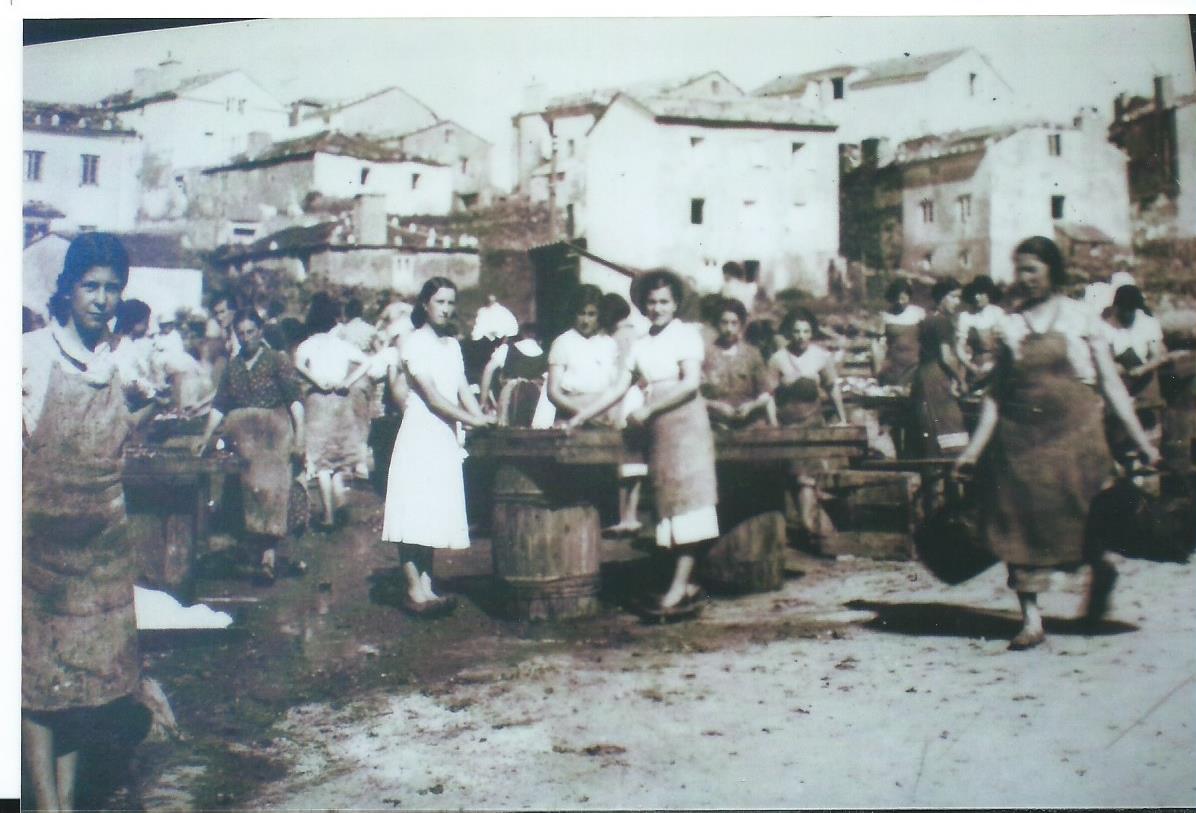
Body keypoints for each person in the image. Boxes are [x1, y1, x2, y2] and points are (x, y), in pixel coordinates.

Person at [953, 236, 1160, 651]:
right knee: (1016, 518)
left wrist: (1142, 442)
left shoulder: (1081, 320)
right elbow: (995, 395)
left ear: (1052, 270)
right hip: (1019, 442)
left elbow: (1111, 384)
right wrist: (973, 450)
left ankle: (1100, 571)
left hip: (1076, 437)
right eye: (1019, 270)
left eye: (1032, 269)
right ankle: (1031, 619)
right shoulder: (1009, 326)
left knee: (1082, 516)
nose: (1024, 278)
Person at [22, 233, 144, 811]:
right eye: (90, 286)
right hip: (35, 549)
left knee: (82, 683)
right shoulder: (30, 354)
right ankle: (45, 804)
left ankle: (65, 804)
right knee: (36, 679)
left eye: (112, 288)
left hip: (100, 548)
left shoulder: (120, 362)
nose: (101, 298)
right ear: (67, 289)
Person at [568, 269, 719, 615]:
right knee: (669, 503)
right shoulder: (641, 344)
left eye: (664, 301)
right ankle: (688, 584)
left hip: (686, 425)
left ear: (676, 303)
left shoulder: (686, 336)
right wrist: (580, 415)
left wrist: (650, 408)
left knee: (689, 504)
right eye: (651, 302)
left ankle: (678, 589)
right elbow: (619, 387)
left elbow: (690, 383)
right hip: (660, 430)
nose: (657, 308)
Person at [382, 277, 495, 615]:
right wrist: (474, 421)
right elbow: (432, 398)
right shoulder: (413, 343)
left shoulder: (452, 345)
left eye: (450, 303)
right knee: (412, 509)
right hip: (421, 431)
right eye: (440, 302)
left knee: (431, 511)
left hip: (445, 435)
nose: (446, 309)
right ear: (425, 305)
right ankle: (414, 589)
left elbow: (462, 389)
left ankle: (428, 585)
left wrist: (486, 419)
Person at [210, 309, 305, 584]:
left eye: (251, 332)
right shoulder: (233, 366)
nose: (246, 338)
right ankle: (255, 552)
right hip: (244, 440)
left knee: (272, 492)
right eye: (241, 333)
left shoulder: (277, 360)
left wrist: (300, 437)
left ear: (260, 332)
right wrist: (204, 438)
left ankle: (269, 557)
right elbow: (220, 404)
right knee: (246, 494)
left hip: (275, 436)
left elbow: (295, 401)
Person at [769, 307, 849, 543]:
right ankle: (814, 530)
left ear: (812, 332)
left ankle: (819, 532)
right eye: (796, 331)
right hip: (788, 426)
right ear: (788, 333)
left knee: (811, 479)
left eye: (806, 331)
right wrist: (774, 426)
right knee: (799, 479)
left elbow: (832, 387)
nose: (801, 336)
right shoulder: (778, 359)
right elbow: (769, 397)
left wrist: (842, 416)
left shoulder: (821, 356)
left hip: (814, 424)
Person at [294, 295, 372, 529]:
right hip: (341, 399)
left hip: (318, 400)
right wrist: (348, 381)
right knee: (338, 457)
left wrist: (316, 380)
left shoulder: (307, 344)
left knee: (321, 461)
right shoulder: (341, 345)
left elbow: (297, 364)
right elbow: (366, 362)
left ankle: (328, 514)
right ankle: (340, 501)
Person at [599, 291, 649, 535]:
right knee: (637, 462)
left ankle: (621, 517)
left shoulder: (617, 337)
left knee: (621, 462)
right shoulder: (638, 334)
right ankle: (632, 515)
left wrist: (613, 408)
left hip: (623, 399)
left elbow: (620, 375)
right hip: (638, 398)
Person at [909, 278, 968, 458]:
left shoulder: (927, 319)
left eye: (959, 298)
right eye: (953, 297)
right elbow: (946, 357)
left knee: (931, 428)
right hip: (936, 378)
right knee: (947, 424)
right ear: (941, 298)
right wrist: (961, 379)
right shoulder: (942, 322)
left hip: (923, 375)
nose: (957, 302)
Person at [702, 297, 776, 430]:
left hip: (750, 422)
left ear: (741, 325)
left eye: (734, 323)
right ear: (717, 324)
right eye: (724, 323)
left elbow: (765, 393)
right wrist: (715, 406)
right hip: (716, 423)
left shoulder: (752, 354)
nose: (729, 328)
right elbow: (697, 396)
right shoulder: (705, 355)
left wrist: (751, 406)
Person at [479, 322, 547, 426]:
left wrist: (483, 402)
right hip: (535, 407)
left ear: (522, 334)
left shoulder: (507, 349)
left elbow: (488, 370)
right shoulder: (545, 356)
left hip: (509, 402)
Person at [956, 275, 1006, 386]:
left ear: (989, 294)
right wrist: (970, 366)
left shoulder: (998, 314)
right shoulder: (966, 316)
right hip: (974, 366)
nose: (977, 297)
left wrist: (992, 364)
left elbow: (1003, 345)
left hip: (996, 366)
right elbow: (959, 346)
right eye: (975, 293)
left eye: (981, 293)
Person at [876, 278, 926, 386]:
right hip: (894, 364)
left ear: (909, 296)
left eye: (903, 298)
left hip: (914, 364)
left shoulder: (918, 313)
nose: (900, 302)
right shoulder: (885, 316)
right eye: (897, 298)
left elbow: (926, 339)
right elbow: (881, 343)